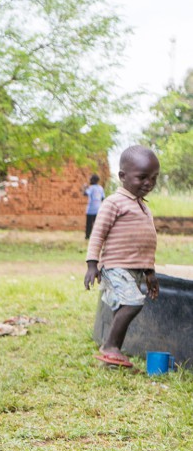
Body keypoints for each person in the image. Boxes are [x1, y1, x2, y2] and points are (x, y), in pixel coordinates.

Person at [84, 145, 160, 367]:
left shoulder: (143, 207)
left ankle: (110, 358)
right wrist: (91, 264)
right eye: (142, 177)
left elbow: (145, 245)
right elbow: (97, 234)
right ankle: (110, 346)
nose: (149, 183)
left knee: (124, 307)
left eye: (154, 178)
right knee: (133, 303)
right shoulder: (114, 203)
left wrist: (150, 272)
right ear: (122, 176)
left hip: (135, 269)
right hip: (115, 267)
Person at [84, 173, 105, 240]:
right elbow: (103, 198)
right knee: (97, 225)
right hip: (98, 209)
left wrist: (84, 187)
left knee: (89, 225)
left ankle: (87, 237)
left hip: (90, 210)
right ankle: (98, 237)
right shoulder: (100, 188)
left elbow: (85, 194)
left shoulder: (91, 188)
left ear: (92, 180)